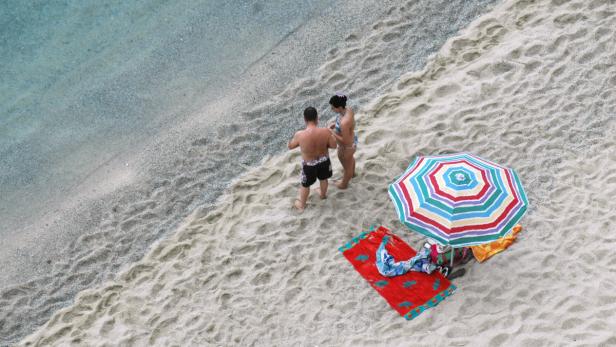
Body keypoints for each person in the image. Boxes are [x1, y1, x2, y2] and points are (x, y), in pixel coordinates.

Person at [288, 107, 337, 212]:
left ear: (305, 119)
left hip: (309, 165)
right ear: (317, 118)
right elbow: (333, 146)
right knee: (323, 179)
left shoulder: (300, 134)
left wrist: (291, 139)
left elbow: (291, 146)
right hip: (324, 161)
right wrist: (329, 132)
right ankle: (323, 195)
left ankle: (302, 205)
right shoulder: (325, 131)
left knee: (305, 185)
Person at [328, 93, 357, 189]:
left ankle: (344, 184)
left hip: (346, 147)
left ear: (339, 107)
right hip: (353, 142)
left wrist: (332, 132)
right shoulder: (348, 109)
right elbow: (345, 124)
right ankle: (352, 174)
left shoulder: (344, 122)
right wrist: (335, 124)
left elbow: (345, 140)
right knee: (350, 160)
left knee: (346, 166)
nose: (331, 109)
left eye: (333, 108)